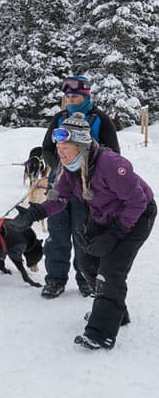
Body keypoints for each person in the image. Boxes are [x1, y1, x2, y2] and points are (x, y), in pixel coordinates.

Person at [12, 113, 156, 350]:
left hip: (137, 216)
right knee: (87, 260)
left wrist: (114, 234)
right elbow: (59, 198)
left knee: (110, 271)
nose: (60, 152)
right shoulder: (71, 168)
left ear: (81, 146)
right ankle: (115, 314)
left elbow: (137, 202)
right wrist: (34, 213)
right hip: (104, 215)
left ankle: (101, 333)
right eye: (58, 147)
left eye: (65, 147)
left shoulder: (111, 164)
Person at [40, 75, 120, 299]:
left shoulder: (100, 120)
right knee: (57, 235)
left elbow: (113, 152)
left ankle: (85, 278)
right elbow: (46, 148)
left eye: (75, 96)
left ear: (86, 96)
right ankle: (55, 279)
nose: (70, 100)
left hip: (88, 190)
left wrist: (88, 169)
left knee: (83, 234)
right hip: (59, 186)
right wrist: (61, 165)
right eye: (67, 96)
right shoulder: (59, 117)